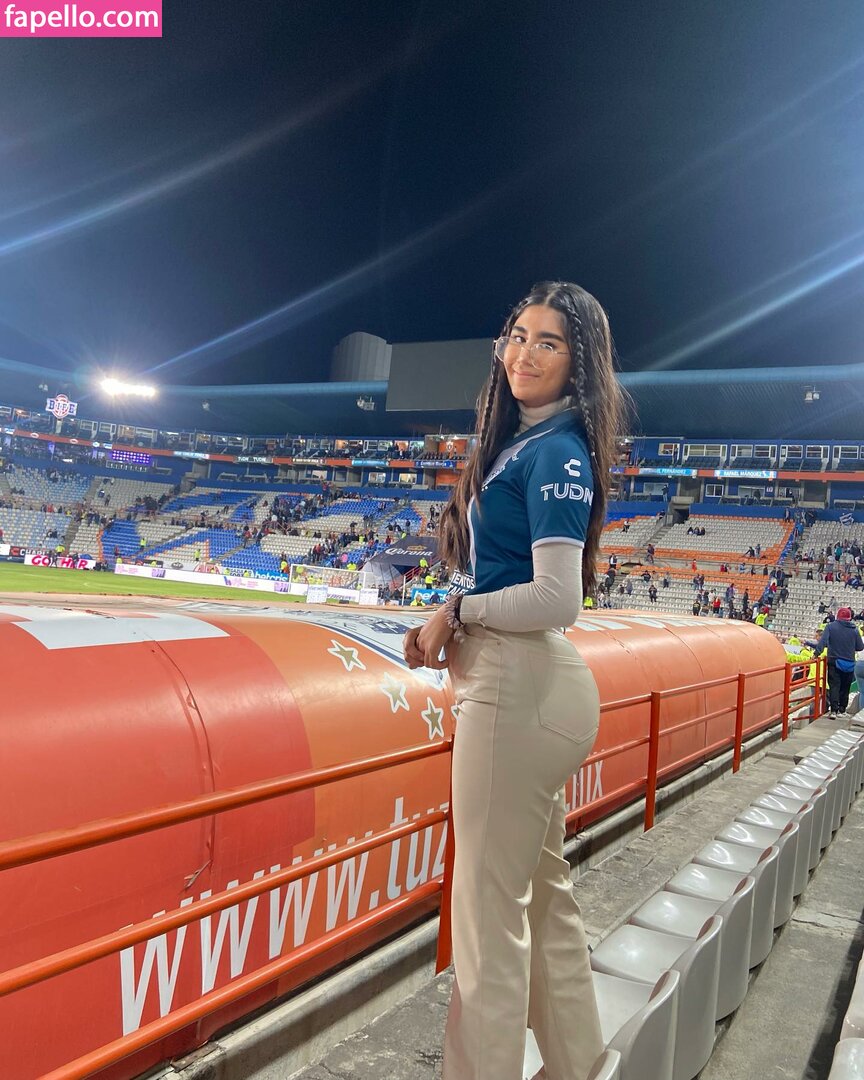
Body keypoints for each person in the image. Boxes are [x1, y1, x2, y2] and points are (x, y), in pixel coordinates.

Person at [403, 281, 625, 1080]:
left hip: (518, 687)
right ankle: (581, 1066)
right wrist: (452, 613)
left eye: (549, 342)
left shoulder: (556, 452)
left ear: (579, 362)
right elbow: (499, 573)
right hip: (524, 689)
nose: (525, 353)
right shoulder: (520, 444)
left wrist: (459, 613)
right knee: (544, 900)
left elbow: (558, 599)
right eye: (518, 336)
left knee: (486, 919)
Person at [808, 607, 864, 719]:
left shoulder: (830, 626)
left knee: (834, 685)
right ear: (849, 617)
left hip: (834, 661)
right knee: (845, 687)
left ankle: (833, 711)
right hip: (849, 662)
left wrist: (816, 654)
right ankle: (842, 710)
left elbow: (823, 642)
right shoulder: (854, 629)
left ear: (838, 616)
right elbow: (860, 647)